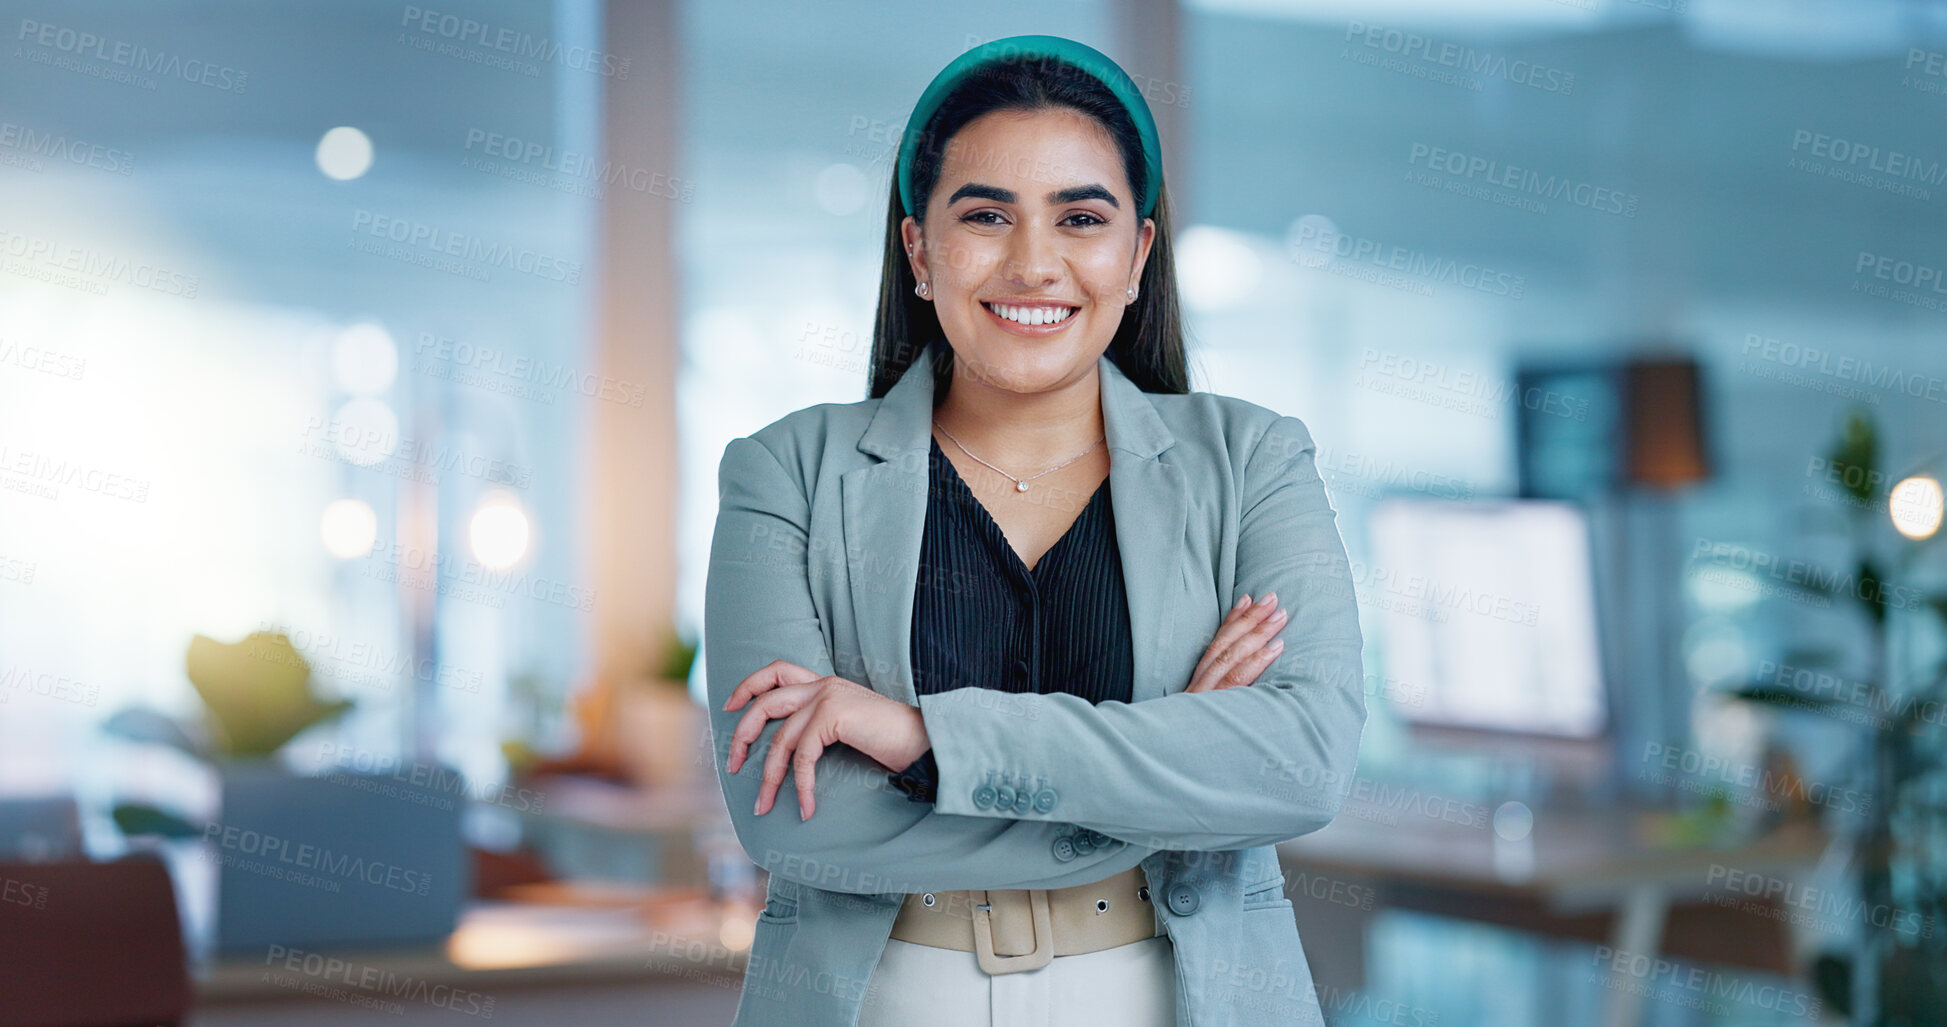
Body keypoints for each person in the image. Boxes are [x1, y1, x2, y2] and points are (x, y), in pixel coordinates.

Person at [704, 34, 1366, 1027]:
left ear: (1137, 254)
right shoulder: (785, 472)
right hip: (885, 998)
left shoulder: (1253, 459)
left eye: (1081, 217)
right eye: (985, 215)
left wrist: (922, 740)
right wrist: (1168, 774)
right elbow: (801, 823)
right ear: (920, 250)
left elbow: (1302, 762)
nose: (1034, 262)